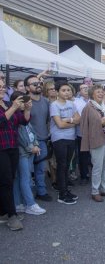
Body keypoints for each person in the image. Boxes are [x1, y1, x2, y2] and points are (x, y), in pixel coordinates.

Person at [0, 79, 31, 231]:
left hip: (12, 146)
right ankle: (11, 215)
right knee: (6, 181)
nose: (2, 89)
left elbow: (22, 122)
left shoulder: (5, 103)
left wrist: (27, 109)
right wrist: (13, 107)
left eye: (2, 86)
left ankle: (3, 211)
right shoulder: (9, 105)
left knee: (8, 180)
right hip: (1, 148)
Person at [80, 85, 105, 202]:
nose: (101, 94)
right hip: (96, 140)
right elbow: (84, 126)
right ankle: (95, 191)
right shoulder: (88, 107)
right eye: (98, 92)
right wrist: (103, 121)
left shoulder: (103, 106)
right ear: (92, 94)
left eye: (102, 92)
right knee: (97, 167)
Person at [11, 91, 46, 216]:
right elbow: (19, 137)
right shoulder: (14, 116)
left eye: (26, 101)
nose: (25, 104)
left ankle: (19, 203)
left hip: (29, 151)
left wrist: (36, 144)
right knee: (25, 179)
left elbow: (32, 131)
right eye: (22, 101)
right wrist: (31, 147)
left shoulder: (23, 115)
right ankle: (30, 204)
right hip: (23, 152)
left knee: (21, 178)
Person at [50, 81, 80, 205]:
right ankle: (62, 194)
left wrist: (69, 120)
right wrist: (71, 122)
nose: (66, 92)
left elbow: (79, 119)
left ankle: (66, 190)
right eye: (63, 90)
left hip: (71, 138)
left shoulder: (71, 103)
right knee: (62, 165)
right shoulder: (54, 105)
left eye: (68, 90)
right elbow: (60, 125)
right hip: (59, 138)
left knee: (67, 165)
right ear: (57, 92)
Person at [24, 75, 53, 201]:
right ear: (27, 87)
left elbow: (47, 120)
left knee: (41, 169)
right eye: (34, 84)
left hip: (42, 140)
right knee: (27, 171)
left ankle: (41, 192)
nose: (38, 85)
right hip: (27, 142)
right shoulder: (25, 102)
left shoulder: (46, 101)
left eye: (39, 82)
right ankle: (27, 198)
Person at [73, 83, 91, 186]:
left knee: (94, 154)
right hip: (81, 132)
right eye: (82, 88)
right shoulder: (75, 101)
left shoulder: (93, 100)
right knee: (83, 155)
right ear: (79, 91)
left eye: (87, 88)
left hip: (94, 131)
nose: (85, 89)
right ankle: (84, 175)